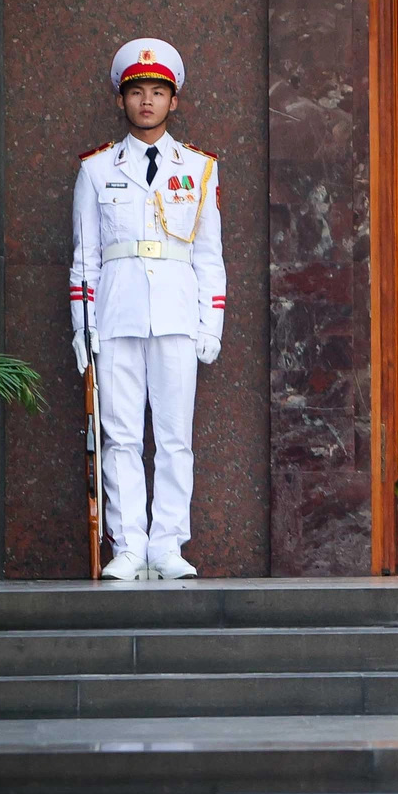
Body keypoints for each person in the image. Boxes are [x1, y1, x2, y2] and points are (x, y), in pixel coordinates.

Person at [71, 38, 225, 581]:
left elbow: (210, 257)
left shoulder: (200, 169)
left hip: (179, 317)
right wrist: (82, 329)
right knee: (120, 436)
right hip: (116, 316)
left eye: (158, 92)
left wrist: (213, 324)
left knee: (175, 435)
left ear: (173, 101)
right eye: (137, 92)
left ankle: (168, 543)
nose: (147, 102)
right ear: (122, 99)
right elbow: (84, 260)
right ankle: (129, 543)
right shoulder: (95, 170)